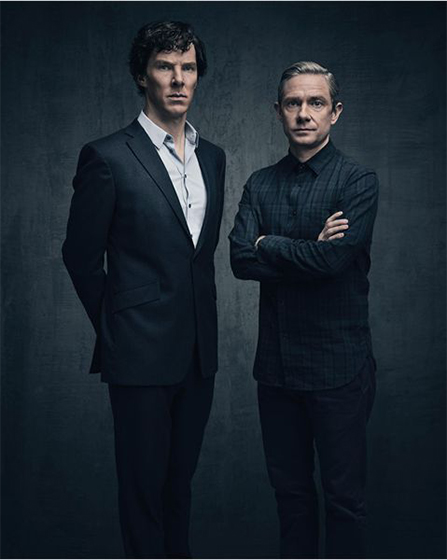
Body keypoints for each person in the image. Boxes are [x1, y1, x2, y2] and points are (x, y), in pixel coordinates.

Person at [62, 21, 226, 559]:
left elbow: (196, 257)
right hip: (137, 354)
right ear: (142, 75)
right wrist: (119, 326)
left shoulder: (213, 157)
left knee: (179, 490)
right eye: (164, 66)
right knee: (143, 497)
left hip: (198, 355)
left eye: (188, 68)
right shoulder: (107, 156)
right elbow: (80, 257)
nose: (178, 79)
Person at [229, 61, 378, 559]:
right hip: (277, 372)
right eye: (293, 103)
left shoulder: (357, 181)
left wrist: (269, 243)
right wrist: (306, 249)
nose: (303, 113)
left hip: (339, 371)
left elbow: (333, 261)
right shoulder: (259, 184)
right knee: (291, 499)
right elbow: (239, 259)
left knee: (344, 502)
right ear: (278, 111)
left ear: (335, 112)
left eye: (316, 102)